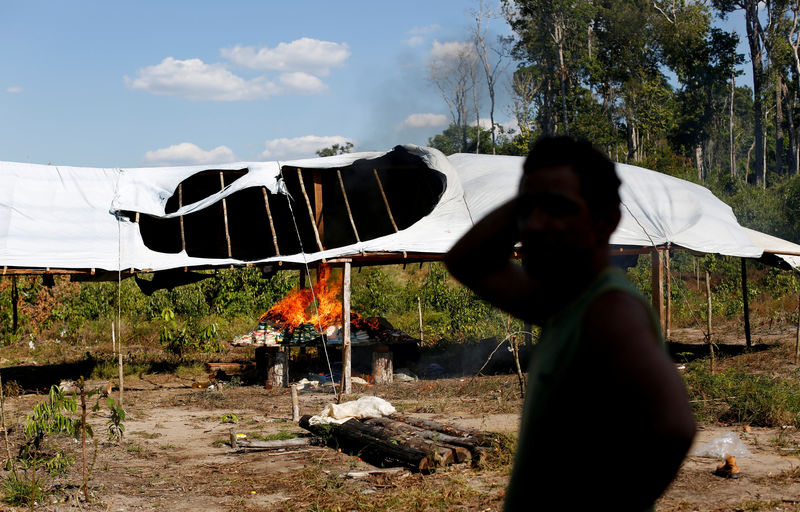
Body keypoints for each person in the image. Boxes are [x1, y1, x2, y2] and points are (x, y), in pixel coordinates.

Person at [445, 136, 695, 511]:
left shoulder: (608, 310)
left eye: (559, 208)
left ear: (606, 221)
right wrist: (534, 193)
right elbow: (468, 261)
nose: (535, 225)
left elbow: (674, 429)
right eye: (529, 210)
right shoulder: (563, 304)